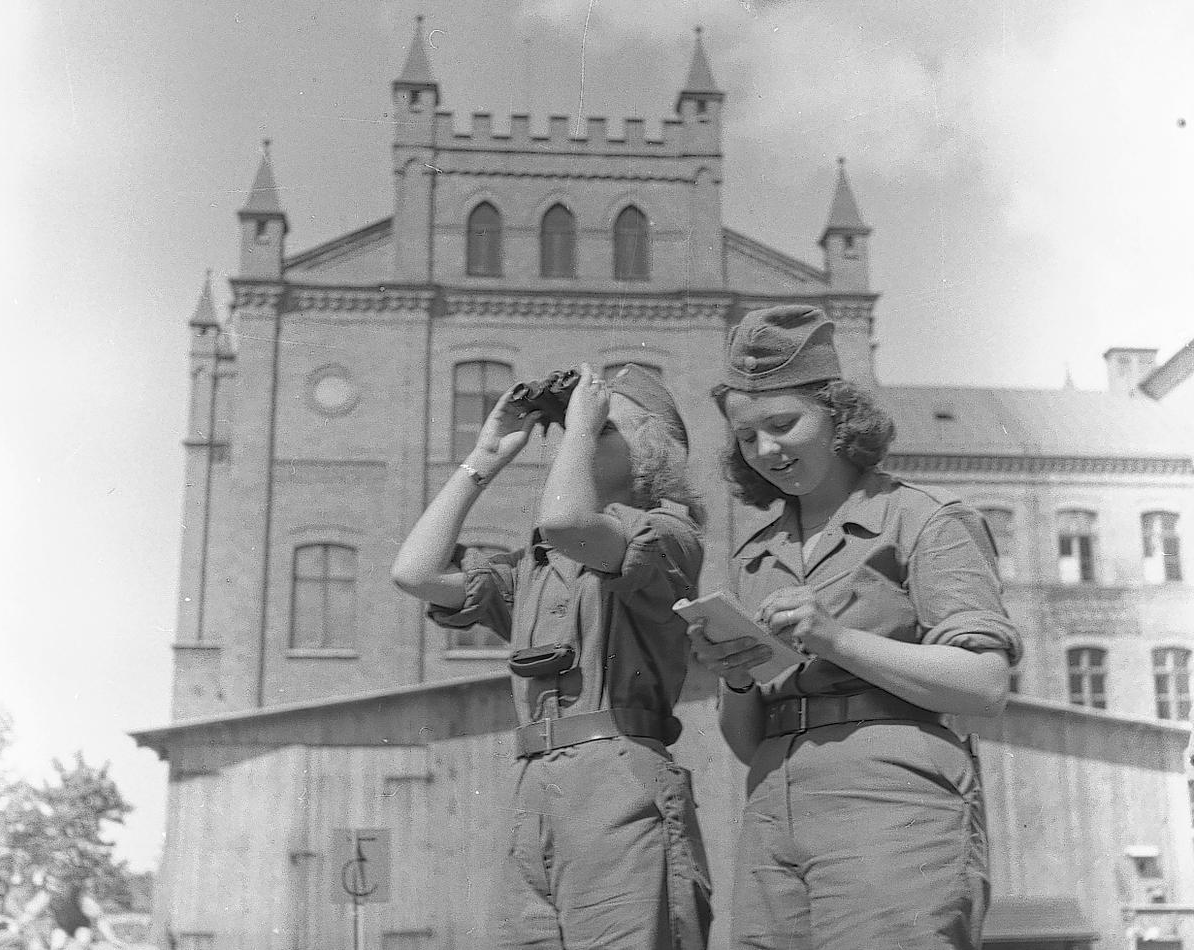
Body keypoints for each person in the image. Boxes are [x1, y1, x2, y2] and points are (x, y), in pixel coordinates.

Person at [688, 304, 1023, 950]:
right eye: (747, 437)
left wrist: (834, 638)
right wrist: (736, 679)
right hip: (772, 804)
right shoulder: (755, 555)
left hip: (893, 801)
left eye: (783, 424)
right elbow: (746, 740)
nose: (766, 450)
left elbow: (984, 684)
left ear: (839, 417)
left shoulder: (924, 520)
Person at [391, 362, 712, 950]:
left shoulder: (670, 536)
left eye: (602, 426)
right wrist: (484, 458)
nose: (576, 437)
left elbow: (567, 522)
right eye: (573, 429)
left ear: (651, 452)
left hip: (620, 780)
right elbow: (414, 573)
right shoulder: (536, 568)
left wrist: (579, 421)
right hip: (536, 789)